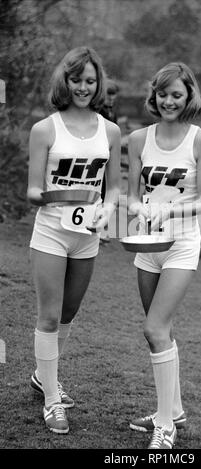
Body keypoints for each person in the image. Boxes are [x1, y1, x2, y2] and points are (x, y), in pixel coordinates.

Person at [27, 46, 121, 434]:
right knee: (49, 316)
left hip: (87, 237)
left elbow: (113, 188)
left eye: (89, 80)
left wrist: (107, 210)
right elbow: (33, 190)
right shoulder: (45, 129)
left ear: (98, 83)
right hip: (51, 231)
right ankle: (52, 400)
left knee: (67, 315)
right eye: (75, 79)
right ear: (63, 81)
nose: (82, 87)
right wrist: (65, 196)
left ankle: (41, 375)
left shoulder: (110, 131)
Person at [127, 62, 201, 449]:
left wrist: (171, 211)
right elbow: (131, 193)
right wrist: (138, 208)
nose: (168, 101)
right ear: (154, 94)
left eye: (176, 94)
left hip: (181, 244)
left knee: (153, 329)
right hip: (147, 246)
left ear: (189, 96)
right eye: (163, 93)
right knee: (161, 332)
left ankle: (165, 425)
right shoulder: (137, 138)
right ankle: (172, 410)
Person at [100, 79, 120, 243]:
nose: (111, 99)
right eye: (109, 95)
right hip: (100, 156)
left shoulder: (112, 112)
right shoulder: (99, 112)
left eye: (114, 96)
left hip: (110, 157)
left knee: (108, 191)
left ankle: (104, 227)